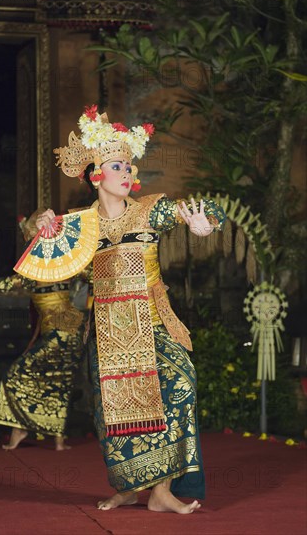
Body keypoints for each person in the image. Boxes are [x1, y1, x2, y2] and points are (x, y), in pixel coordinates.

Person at [34, 105, 226, 512]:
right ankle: (128, 488)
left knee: (181, 385)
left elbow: (205, 210)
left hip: (154, 321)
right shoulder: (79, 224)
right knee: (114, 415)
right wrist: (40, 221)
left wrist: (205, 221)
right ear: (96, 174)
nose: (127, 173)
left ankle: (161, 491)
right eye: (118, 166)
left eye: (129, 166)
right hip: (106, 331)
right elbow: (39, 238)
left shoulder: (150, 209)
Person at [0, 209, 87, 451]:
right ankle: (56, 439)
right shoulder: (61, 263)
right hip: (69, 329)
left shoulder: (40, 266)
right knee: (59, 380)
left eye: (29, 237)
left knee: (15, 376)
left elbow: (2, 285)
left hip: (62, 331)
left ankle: (21, 428)